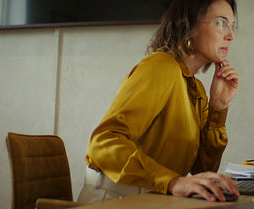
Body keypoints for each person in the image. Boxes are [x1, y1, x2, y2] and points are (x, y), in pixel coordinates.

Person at [77, 0, 240, 203]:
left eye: (232, 26)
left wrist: (218, 106)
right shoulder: (161, 66)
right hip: (116, 199)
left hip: (153, 199)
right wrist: (171, 181)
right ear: (188, 24)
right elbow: (103, 142)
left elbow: (203, 169)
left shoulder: (195, 89)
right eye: (220, 23)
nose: (231, 36)